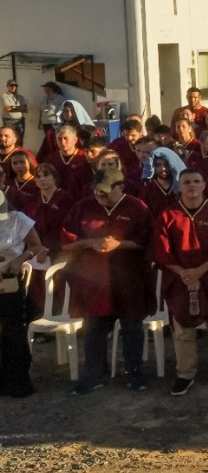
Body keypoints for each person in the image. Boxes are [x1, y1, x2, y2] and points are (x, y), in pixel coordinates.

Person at [61, 168, 155, 394]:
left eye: (105, 192)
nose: (99, 196)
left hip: (129, 278)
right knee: (94, 328)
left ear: (120, 187)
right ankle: (93, 375)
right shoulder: (82, 208)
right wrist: (90, 243)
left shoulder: (137, 208)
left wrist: (119, 244)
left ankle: (134, 373)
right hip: (95, 280)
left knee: (132, 326)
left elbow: (148, 241)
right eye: (96, 192)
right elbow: (66, 242)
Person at [150, 169, 208, 395]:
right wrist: (184, 273)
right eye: (186, 182)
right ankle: (185, 373)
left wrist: (199, 272)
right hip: (180, 280)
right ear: (179, 186)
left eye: (196, 181)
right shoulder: (168, 215)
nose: (192, 185)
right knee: (182, 330)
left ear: (203, 185)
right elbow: (162, 251)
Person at [0, 196, 46, 397]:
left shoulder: (18, 219)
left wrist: (20, 260)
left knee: (13, 331)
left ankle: (18, 381)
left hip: (10, 275)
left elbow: (36, 246)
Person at [1, 79, 26, 145]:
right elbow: (8, 108)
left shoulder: (20, 97)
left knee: (19, 139)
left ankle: (19, 153)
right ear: (7, 86)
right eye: (11, 85)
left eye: (15, 86)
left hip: (19, 121)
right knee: (9, 139)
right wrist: (20, 108)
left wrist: (12, 108)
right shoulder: (4, 96)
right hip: (9, 121)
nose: (13, 87)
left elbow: (25, 109)